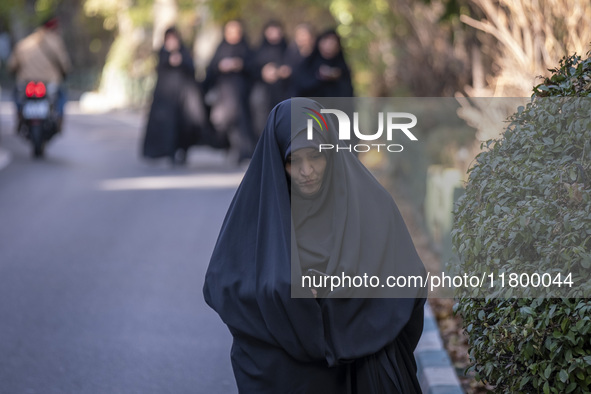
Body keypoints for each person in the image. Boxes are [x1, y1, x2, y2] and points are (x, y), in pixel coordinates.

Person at [203, 98, 426, 393]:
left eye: (316, 156)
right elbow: (226, 287)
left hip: (362, 369)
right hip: (287, 371)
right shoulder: (258, 215)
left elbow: (408, 282)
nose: (307, 170)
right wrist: (285, 293)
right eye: (294, 160)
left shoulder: (372, 206)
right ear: (278, 159)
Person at [142, 27, 211, 165]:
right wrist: (169, 58)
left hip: (183, 99)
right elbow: (160, 70)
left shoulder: (184, 52)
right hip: (165, 99)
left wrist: (181, 60)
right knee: (167, 126)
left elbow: (192, 70)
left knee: (184, 125)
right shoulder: (162, 53)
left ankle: (182, 151)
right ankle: (167, 152)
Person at [203, 20, 254, 165]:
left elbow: (253, 66)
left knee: (240, 121)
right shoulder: (221, 48)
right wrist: (221, 66)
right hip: (223, 93)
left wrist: (240, 65)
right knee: (222, 121)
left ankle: (242, 151)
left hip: (241, 92)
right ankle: (227, 146)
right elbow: (211, 68)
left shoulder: (245, 48)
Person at [8, 16, 71, 133]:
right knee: (62, 96)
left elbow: (12, 65)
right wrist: (65, 73)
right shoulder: (56, 42)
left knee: (16, 95)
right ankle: (60, 120)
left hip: (26, 82)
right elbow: (65, 64)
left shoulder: (24, 43)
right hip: (49, 83)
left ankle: (19, 117)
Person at [249, 20, 290, 136]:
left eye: (276, 31)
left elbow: (293, 67)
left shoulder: (287, 49)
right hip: (263, 89)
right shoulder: (259, 50)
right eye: (271, 32)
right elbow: (251, 68)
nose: (274, 34)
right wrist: (263, 72)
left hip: (283, 89)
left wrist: (283, 72)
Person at [284, 23, 316, 97]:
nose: (301, 38)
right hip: (296, 93)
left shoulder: (316, 54)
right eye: (298, 35)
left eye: (303, 35)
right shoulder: (292, 52)